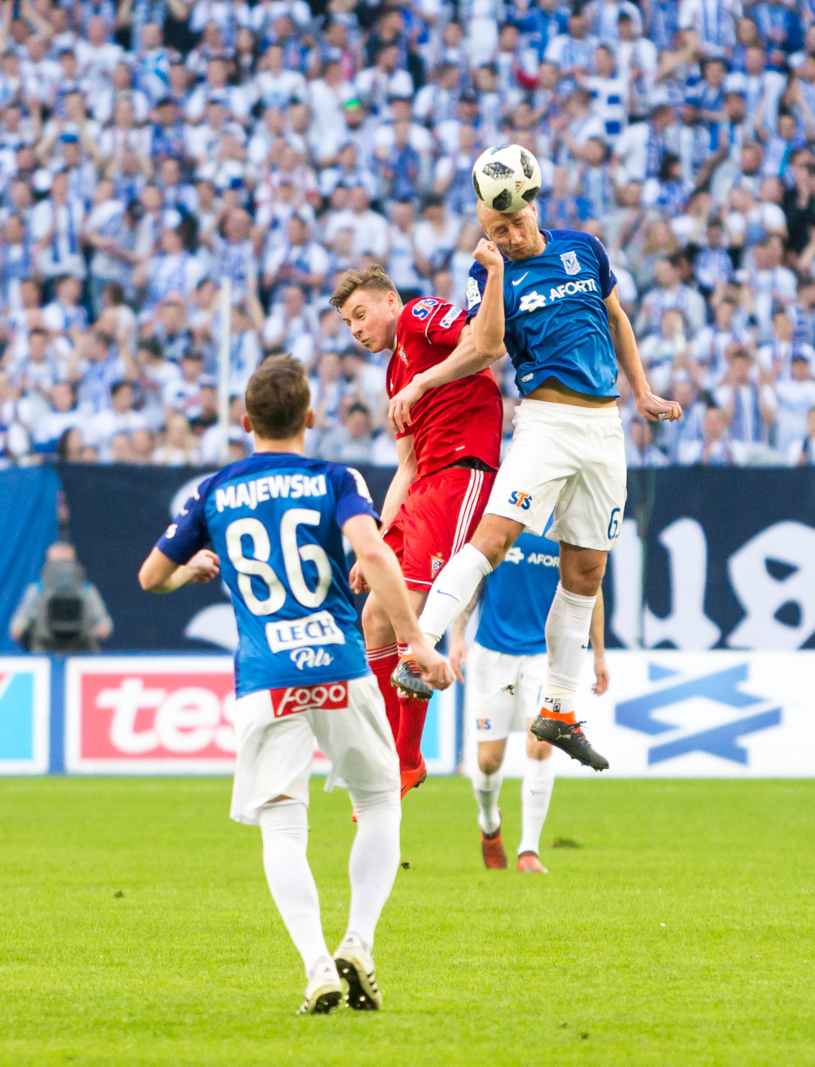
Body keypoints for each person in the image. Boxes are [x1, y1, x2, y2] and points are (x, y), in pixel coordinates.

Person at [136, 357, 453, 1015]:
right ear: (310, 417)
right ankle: (358, 943)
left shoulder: (215, 490)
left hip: (266, 673)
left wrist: (192, 566)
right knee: (379, 798)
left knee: (282, 827)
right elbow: (372, 551)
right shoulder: (334, 477)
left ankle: (317, 968)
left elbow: (148, 577)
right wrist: (415, 640)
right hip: (338, 661)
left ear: (245, 421)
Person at [387, 191, 681, 772]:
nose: (509, 236)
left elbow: (616, 318)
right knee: (493, 541)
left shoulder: (584, 249)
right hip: (545, 423)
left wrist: (642, 391)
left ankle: (559, 710)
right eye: (496, 230)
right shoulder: (488, 271)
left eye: (515, 223)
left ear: (535, 209)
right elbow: (486, 347)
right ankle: (419, 652)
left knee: (588, 571)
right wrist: (423, 381)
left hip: (605, 425)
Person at [330, 264, 501, 797]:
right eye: (347, 323)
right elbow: (405, 466)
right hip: (425, 483)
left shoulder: (420, 316)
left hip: (461, 470)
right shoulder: (391, 376)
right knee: (376, 613)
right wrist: (374, 544)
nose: (356, 329)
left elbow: (483, 344)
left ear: (389, 301)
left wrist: (426, 379)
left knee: (417, 612)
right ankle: (394, 755)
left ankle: (402, 762)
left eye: (361, 313)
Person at [448, 531, 609, 873]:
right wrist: (458, 635)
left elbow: (590, 588)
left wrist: (599, 654)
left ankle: (528, 851)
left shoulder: (568, 521)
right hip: (492, 653)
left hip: (545, 655)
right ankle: (490, 824)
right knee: (489, 762)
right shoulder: (506, 514)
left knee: (542, 744)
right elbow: (474, 576)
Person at [10, 542, 115, 652]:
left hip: (81, 652)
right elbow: (18, 624)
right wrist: (20, 628)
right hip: (44, 651)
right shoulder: (37, 590)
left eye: (65, 563)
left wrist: (95, 632)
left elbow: (105, 624)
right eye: (56, 563)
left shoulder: (86, 590)